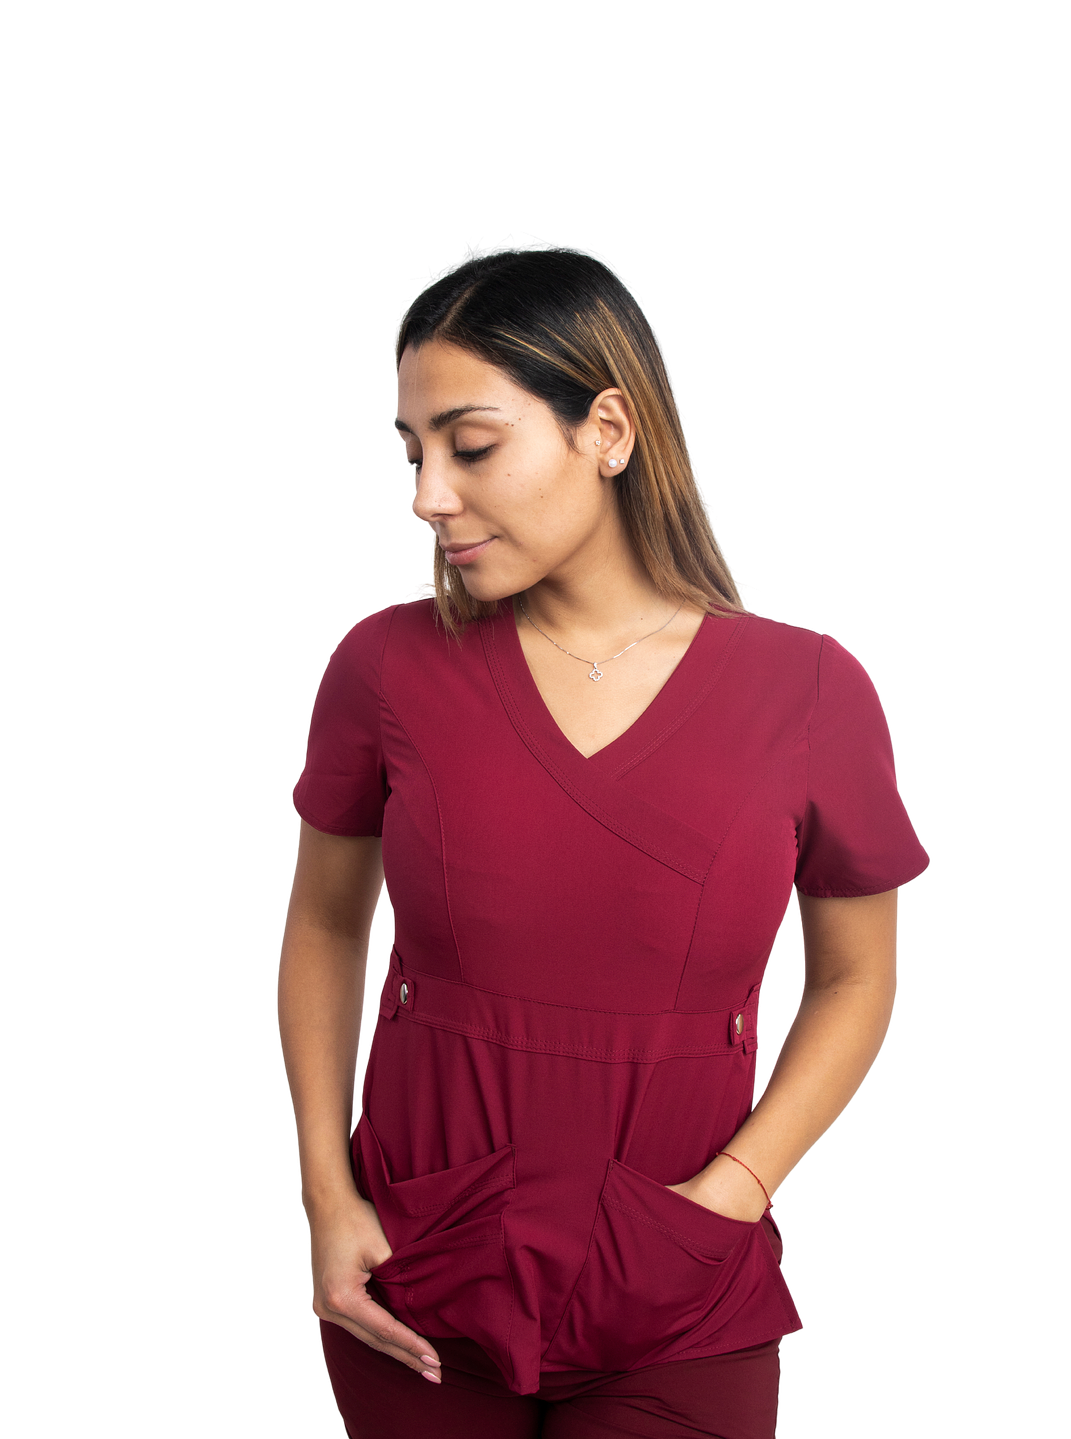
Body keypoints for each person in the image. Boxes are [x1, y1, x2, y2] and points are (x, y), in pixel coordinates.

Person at [277, 243, 930, 1438]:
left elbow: (855, 975)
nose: (427, 494)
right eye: (412, 452)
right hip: (413, 1258)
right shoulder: (383, 664)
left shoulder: (810, 687)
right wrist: (327, 1198)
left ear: (609, 429)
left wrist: (730, 1194)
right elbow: (324, 923)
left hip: (682, 1270)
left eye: (471, 445)